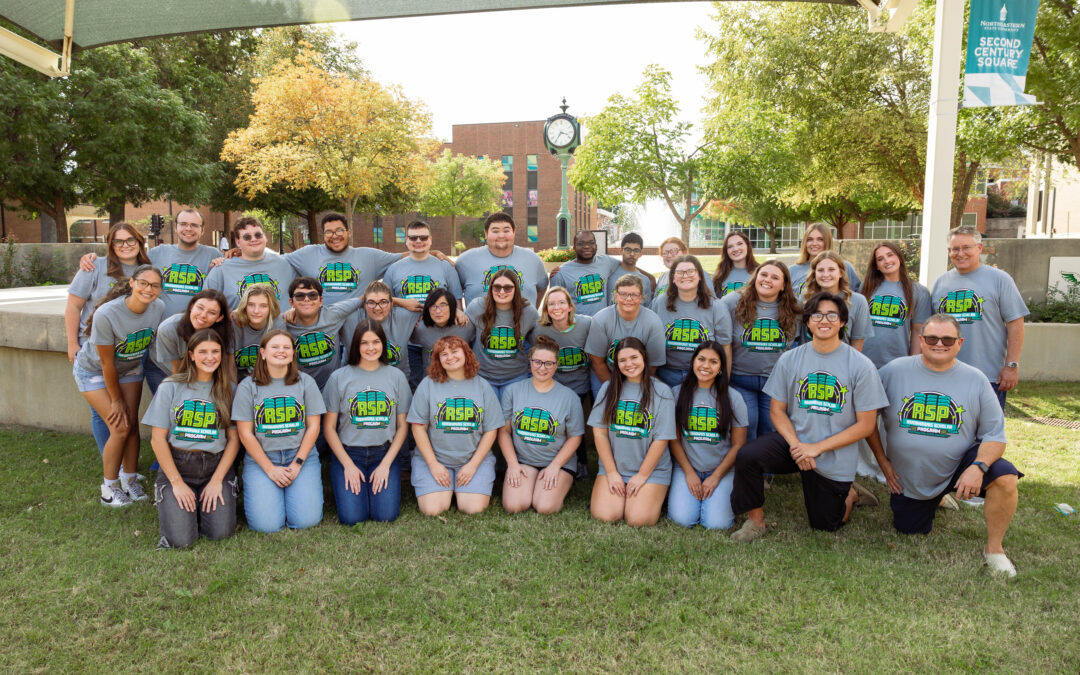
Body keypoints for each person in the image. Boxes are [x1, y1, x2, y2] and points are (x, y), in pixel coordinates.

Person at [868, 314, 1022, 576]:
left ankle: (994, 549)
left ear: (960, 342)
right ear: (921, 340)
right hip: (911, 475)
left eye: (948, 339)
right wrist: (883, 462)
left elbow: (996, 435)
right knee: (909, 529)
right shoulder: (893, 371)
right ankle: (937, 498)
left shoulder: (976, 379)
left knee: (1006, 478)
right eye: (932, 338)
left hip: (961, 463)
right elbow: (866, 416)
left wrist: (978, 467)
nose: (939, 343)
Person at [729, 292, 888, 542]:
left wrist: (816, 448)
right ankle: (755, 522)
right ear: (808, 322)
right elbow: (777, 411)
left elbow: (866, 425)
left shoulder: (860, 365)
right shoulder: (790, 358)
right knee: (748, 456)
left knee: (825, 525)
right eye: (817, 315)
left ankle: (850, 493)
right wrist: (797, 446)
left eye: (832, 315)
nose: (824, 320)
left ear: (843, 321)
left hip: (832, 450)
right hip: (796, 443)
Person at [78, 212, 221, 391]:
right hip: (158, 346)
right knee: (165, 403)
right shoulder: (157, 253)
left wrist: (232, 254)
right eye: (183, 224)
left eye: (194, 225)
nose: (188, 229)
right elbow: (128, 260)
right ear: (176, 226)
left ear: (203, 229)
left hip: (196, 341)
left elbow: (229, 272)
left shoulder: (213, 255)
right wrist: (94, 259)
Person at [72, 264, 165, 507]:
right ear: (132, 283)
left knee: (132, 423)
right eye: (143, 283)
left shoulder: (158, 308)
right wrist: (115, 400)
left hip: (130, 367)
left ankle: (130, 480)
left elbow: (153, 346)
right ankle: (109, 488)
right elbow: (106, 363)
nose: (149, 289)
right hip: (94, 371)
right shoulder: (108, 314)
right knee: (120, 427)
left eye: (155, 285)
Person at [142, 329, 239, 548]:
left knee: (220, 533)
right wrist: (176, 483)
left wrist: (216, 481)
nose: (210, 357)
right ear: (191, 355)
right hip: (179, 466)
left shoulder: (228, 389)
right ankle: (181, 504)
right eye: (203, 351)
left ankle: (199, 505)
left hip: (215, 466)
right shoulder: (170, 386)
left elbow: (234, 439)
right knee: (180, 540)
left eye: (215, 351)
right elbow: (157, 439)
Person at [66, 222, 151, 455]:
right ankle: (110, 460)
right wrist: (72, 343)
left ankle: (125, 467)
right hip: (94, 351)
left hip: (132, 352)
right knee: (103, 413)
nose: (125, 245)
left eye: (130, 240)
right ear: (110, 245)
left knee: (126, 414)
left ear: (140, 242)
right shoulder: (94, 267)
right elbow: (74, 306)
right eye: (118, 241)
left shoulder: (147, 269)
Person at [232, 330, 325, 532]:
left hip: (300, 456)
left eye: (286, 347)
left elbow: (314, 426)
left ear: (293, 353)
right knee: (266, 525)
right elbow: (245, 434)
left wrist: (298, 463)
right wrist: (270, 470)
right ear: (263, 353)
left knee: (305, 521)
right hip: (262, 459)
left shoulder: (306, 382)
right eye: (275, 347)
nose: (281, 351)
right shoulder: (247, 386)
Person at [322, 319, 412, 525]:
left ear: (383, 344)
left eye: (375, 342)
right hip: (349, 453)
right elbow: (328, 428)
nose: (370, 348)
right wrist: (348, 465)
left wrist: (386, 464)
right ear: (356, 345)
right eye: (364, 343)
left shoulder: (396, 377)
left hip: (383, 453)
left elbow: (402, 427)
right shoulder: (339, 378)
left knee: (386, 516)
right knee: (352, 518)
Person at [930, 226, 1028, 409]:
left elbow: (1015, 323)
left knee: (986, 434)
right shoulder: (941, 283)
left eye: (966, 247)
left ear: (979, 248)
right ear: (948, 252)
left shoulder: (1000, 279)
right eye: (955, 249)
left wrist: (1012, 365)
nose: (960, 253)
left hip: (988, 376)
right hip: (945, 374)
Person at [407, 336, 504, 516]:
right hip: (435, 459)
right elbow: (418, 427)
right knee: (433, 510)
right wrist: (433, 464)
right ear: (438, 360)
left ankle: (457, 488)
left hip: (472, 459)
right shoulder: (427, 385)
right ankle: (446, 488)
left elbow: (491, 430)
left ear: (466, 354)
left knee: (473, 509)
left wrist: (473, 465)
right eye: (443, 354)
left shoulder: (482, 386)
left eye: (454, 352)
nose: (450, 357)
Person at [588, 337, 676, 527]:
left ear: (644, 358)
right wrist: (611, 473)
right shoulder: (607, 389)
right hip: (615, 467)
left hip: (651, 470)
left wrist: (642, 476)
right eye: (622, 360)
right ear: (616, 364)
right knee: (605, 515)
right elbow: (600, 433)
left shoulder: (662, 392)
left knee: (638, 519)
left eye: (634, 357)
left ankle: (650, 494)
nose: (629, 364)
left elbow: (661, 439)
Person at [498, 336, 585, 515]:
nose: (542, 368)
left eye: (548, 363)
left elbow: (575, 437)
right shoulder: (513, 391)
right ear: (530, 362)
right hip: (524, 461)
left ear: (556, 365)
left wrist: (554, 467)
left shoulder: (569, 397)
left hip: (557, 463)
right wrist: (513, 464)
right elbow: (504, 432)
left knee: (545, 507)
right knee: (514, 506)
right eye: (537, 362)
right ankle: (531, 481)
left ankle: (555, 482)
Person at [667, 341, 748, 530]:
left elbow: (738, 445)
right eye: (701, 359)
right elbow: (674, 440)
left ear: (721, 367)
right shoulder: (676, 393)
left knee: (717, 524)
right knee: (682, 520)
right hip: (687, 467)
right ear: (693, 361)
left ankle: (717, 498)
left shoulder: (733, 397)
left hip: (722, 469)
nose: (705, 366)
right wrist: (689, 473)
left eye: (713, 362)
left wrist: (716, 477)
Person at [718, 261, 801, 441]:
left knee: (770, 426)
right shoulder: (732, 302)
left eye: (775, 277)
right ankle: (745, 466)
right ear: (755, 278)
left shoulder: (795, 309)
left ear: (783, 285)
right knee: (748, 423)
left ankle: (765, 469)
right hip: (741, 379)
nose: (767, 280)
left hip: (774, 382)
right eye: (763, 275)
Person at [280, 212, 406, 305]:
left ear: (348, 233)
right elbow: (276, 262)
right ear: (323, 235)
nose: (335, 236)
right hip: (324, 328)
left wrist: (423, 246)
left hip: (357, 329)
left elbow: (402, 258)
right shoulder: (308, 254)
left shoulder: (369, 257)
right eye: (329, 232)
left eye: (339, 230)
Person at [534, 287, 593, 478]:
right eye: (551, 304)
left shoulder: (586, 324)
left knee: (574, 421)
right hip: (555, 385)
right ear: (546, 309)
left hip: (580, 385)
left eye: (561, 303)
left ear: (570, 306)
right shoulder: (540, 328)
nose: (556, 307)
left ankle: (582, 463)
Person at [651, 254, 732, 388]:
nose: (685, 275)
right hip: (668, 375)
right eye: (680, 272)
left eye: (690, 271)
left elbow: (726, 347)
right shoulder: (660, 302)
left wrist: (723, 382)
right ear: (673, 278)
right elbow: (650, 339)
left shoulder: (717, 307)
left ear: (700, 276)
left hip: (704, 376)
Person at [585, 275, 666, 398]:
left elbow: (652, 364)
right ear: (616, 296)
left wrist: (634, 388)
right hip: (607, 372)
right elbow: (598, 361)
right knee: (607, 410)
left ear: (641, 297)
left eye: (634, 295)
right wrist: (614, 390)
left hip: (639, 375)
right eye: (623, 294)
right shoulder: (601, 319)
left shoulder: (653, 322)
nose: (628, 299)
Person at [465, 268, 539, 400]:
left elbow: (539, 340)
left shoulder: (528, 311)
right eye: (497, 287)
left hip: (515, 377)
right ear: (491, 288)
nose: (502, 292)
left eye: (508, 288)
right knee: (488, 419)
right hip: (483, 376)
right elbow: (462, 331)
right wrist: (458, 313)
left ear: (516, 288)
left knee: (510, 419)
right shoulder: (477, 307)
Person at [279, 277, 364, 389]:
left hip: (332, 386)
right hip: (299, 387)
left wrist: (395, 300)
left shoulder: (333, 314)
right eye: (300, 296)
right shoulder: (283, 323)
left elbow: (365, 297)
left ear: (321, 301)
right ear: (291, 302)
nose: (306, 299)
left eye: (312, 295)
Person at [860, 241, 932, 369]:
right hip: (865, 362)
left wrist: (912, 363)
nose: (886, 261)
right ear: (876, 265)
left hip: (898, 364)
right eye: (880, 259)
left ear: (898, 256)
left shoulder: (919, 291)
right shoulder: (865, 288)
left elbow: (917, 330)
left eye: (890, 255)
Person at [455, 212, 548, 306]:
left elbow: (542, 287)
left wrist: (532, 312)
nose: (501, 235)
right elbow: (453, 290)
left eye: (506, 231)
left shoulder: (533, 260)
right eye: (495, 231)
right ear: (486, 233)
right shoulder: (465, 260)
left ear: (514, 232)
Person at [205, 216, 295, 311]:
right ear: (238, 242)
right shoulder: (221, 269)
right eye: (247, 237)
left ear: (264, 237)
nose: (253, 239)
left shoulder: (286, 264)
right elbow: (206, 305)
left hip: (279, 326)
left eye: (258, 235)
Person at [342, 280, 419, 382]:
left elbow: (437, 308)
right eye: (371, 302)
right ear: (364, 304)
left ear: (391, 304)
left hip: (395, 383)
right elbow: (329, 310)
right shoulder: (348, 318)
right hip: (355, 382)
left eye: (383, 302)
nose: (377, 308)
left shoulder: (404, 316)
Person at [800, 251, 874, 351]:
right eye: (820, 270)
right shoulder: (805, 298)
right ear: (814, 274)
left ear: (840, 273)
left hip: (843, 362)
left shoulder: (858, 301)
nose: (826, 274)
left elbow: (857, 343)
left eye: (831, 270)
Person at [383, 220, 463, 309]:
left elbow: (457, 304)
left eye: (423, 237)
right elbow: (384, 302)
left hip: (438, 323)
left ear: (430, 240)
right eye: (413, 238)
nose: (418, 241)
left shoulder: (446, 267)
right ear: (406, 240)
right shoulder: (393, 269)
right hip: (403, 323)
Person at [152, 290, 231, 376]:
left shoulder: (224, 331)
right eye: (200, 308)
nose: (203, 315)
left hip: (200, 372)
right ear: (191, 306)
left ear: (219, 318)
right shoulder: (168, 328)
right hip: (164, 370)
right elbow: (177, 371)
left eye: (212, 313)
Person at [550, 230, 622, 316]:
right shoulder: (560, 273)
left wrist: (642, 276)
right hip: (577, 326)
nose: (587, 246)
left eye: (591, 243)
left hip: (602, 325)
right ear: (574, 248)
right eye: (581, 243)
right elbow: (554, 305)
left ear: (596, 246)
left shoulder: (606, 262)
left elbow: (628, 266)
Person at [410, 288, 476, 377]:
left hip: (461, 380)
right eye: (433, 306)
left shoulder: (465, 326)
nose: (438, 311)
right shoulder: (420, 329)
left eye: (443, 305)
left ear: (452, 307)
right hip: (432, 379)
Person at [788, 224, 862, 295]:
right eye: (810, 239)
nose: (814, 243)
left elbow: (859, 296)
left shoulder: (844, 267)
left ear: (827, 242)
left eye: (820, 239)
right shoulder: (792, 271)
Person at [231, 283, 283, 382]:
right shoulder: (234, 324)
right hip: (238, 382)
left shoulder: (278, 325)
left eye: (263, 306)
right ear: (244, 306)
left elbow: (279, 366)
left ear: (271, 308)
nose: (256, 311)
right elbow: (229, 366)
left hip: (266, 381)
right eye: (251, 305)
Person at [608, 233, 656, 299]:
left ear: (641, 253)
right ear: (620, 251)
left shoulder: (645, 280)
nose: (632, 254)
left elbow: (646, 307)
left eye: (636, 250)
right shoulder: (609, 275)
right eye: (628, 250)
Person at [712, 231, 759, 298]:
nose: (735, 249)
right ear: (726, 251)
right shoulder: (719, 274)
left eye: (739, 244)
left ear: (747, 245)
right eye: (730, 246)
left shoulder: (760, 272)